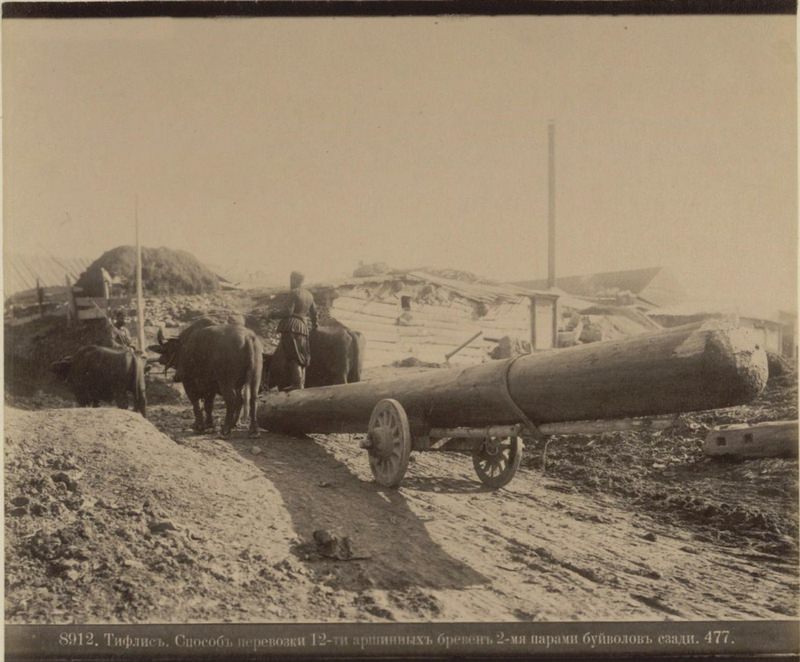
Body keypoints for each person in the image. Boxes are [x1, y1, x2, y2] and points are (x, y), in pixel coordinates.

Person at [269, 271, 318, 390]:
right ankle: (301, 383)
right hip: (303, 327)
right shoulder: (309, 295)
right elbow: (314, 313)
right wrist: (315, 325)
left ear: (295, 280)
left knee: (292, 355)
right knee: (302, 356)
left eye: (291, 279)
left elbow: (287, 312)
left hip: (291, 326)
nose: (290, 282)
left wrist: (271, 314)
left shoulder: (294, 293)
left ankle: (296, 384)